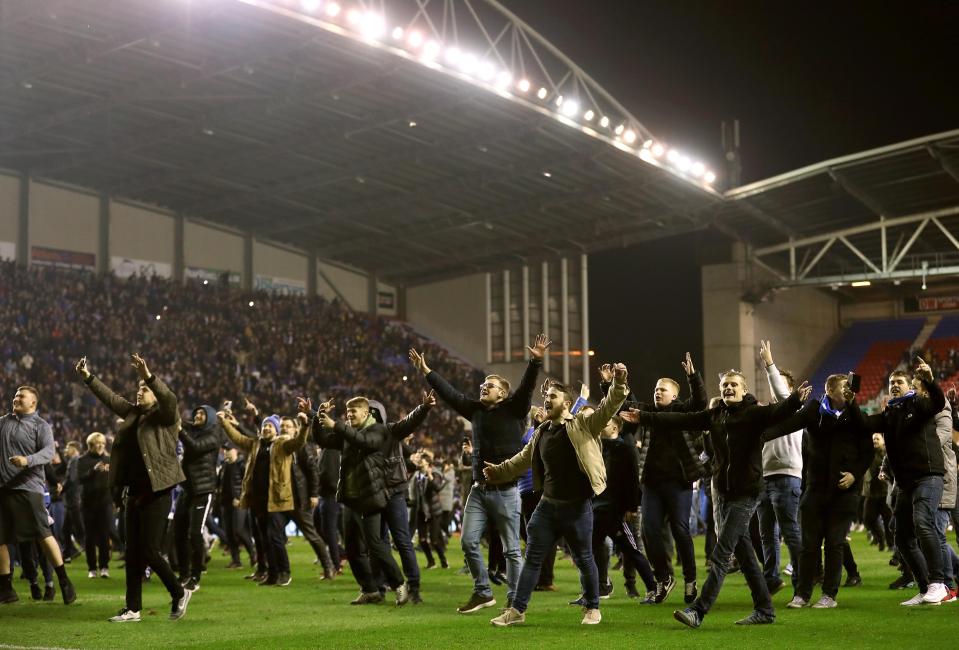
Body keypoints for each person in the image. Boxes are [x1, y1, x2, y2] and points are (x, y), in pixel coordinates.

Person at [621, 369, 810, 629]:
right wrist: (643, 416)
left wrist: (796, 400)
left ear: (744, 390)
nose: (728, 388)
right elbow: (677, 420)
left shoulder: (754, 414)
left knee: (722, 553)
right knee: (743, 554)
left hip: (746, 493)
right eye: (724, 385)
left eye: (733, 385)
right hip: (723, 492)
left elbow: (779, 413)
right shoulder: (715, 415)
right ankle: (765, 609)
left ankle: (698, 610)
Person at [410, 333, 547, 614]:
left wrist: (535, 361)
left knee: (511, 549)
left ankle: (515, 601)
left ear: (503, 393)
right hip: (478, 490)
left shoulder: (514, 408)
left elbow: (527, 387)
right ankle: (483, 592)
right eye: (484, 384)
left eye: (491, 385)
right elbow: (450, 394)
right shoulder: (474, 410)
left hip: (507, 490)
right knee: (469, 542)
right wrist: (427, 372)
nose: (484, 387)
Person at [485, 365, 630, 627]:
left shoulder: (583, 424)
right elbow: (522, 460)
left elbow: (608, 408)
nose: (547, 400)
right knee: (532, 558)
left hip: (577, 507)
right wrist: (498, 471)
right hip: (547, 507)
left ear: (567, 403)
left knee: (584, 558)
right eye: (547, 396)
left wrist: (619, 384)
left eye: (553, 396)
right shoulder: (541, 432)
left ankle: (593, 608)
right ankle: (517, 610)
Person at [77, 354, 190, 622]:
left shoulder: (166, 416)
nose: (140, 392)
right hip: (133, 491)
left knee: (150, 550)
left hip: (158, 490)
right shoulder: (131, 413)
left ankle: (179, 592)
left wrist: (149, 375)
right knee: (132, 552)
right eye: (138, 389)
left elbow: (170, 399)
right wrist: (88, 377)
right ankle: (133, 608)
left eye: (145, 390)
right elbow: (111, 398)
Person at [781, 374, 872, 609]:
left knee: (835, 543)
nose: (849, 390)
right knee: (809, 544)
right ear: (830, 391)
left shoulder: (855, 414)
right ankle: (802, 594)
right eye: (844, 387)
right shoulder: (815, 411)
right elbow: (790, 424)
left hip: (844, 491)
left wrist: (855, 474)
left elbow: (867, 451)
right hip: (815, 488)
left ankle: (829, 595)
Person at [310, 396, 411, 606]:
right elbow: (322, 440)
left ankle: (400, 584)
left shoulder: (379, 431)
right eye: (348, 411)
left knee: (375, 544)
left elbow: (364, 442)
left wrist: (336, 425)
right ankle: (370, 589)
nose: (349, 414)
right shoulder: (348, 434)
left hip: (370, 499)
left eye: (353, 411)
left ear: (366, 413)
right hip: (350, 498)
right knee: (353, 548)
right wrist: (318, 418)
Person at [869, 359, 948, 606]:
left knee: (923, 523)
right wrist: (849, 404)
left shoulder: (919, 403)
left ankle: (939, 584)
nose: (894, 385)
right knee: (901, 535)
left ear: (909, 386)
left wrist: (930, 380)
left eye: (899, 382)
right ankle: (925, 588)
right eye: (891, 382)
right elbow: (863, 424)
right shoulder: (890, 412)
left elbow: (937, 403)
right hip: (905, 482)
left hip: (928, 475)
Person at [0, 385, 77, 606]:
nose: (16, 398)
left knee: (43, 534)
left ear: (33, 402)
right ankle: (6, 588)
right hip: (3, 489)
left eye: (21, 396)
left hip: (28, 487)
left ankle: (63, 580)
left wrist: (27, 460)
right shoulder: (2, 422)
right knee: (1, 539)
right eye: (14, 395)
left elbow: (48, 452)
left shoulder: (40, 426)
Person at [219, 408, 309, 588]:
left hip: (276, 499)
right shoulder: (255, 444)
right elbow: (237, 438)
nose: (267, 428)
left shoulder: (283, 444)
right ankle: (272, 574)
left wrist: (305, 426)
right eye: (264, 425)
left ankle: (285, 572)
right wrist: (224, 423)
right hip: (258, 500)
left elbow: (299, 442)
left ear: (276, 429)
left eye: (270, 425)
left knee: (275, 538)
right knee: (264, 539)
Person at [756, 340, 804, 596]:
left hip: (787, 476)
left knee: (790, 532)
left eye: (781, 383)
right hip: (765, 477)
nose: (776, 388)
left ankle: (801, 584)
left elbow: (783, 394)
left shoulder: (795, 408)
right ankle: (771, 580)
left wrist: (770, 365)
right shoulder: (769, 413)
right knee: (767, 534)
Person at [279, 416, 334, 580]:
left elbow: (312, 471)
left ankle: (328, 566)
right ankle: (275, 570)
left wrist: (313, 494)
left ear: (296, 429)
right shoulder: (278, 446)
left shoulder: (302, 446)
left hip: (299, 500)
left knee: (311, 534)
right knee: (273, 533)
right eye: (282, 426)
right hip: (281, 500)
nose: (284, 429)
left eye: (288, 426)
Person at [174, 405, 220, 591]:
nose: (198, 416)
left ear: (209, 418)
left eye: (202, 413)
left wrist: (180, 431)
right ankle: (184, 574)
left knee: (195, 534)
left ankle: (196, 575)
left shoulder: (213, 436)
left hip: (203, 491)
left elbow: (194, 448)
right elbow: (176, 421)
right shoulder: (192, 431)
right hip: (187, 490)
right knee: (178, 533)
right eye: (196, 413)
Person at [78, 432, 113, 579]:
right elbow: (80, 479)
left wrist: (111, 471)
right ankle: (92, 568)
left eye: (103, 443)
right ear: (91, 445)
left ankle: (104, 567)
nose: (100, 446)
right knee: (90, 537)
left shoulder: (109, 459)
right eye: (98, 443)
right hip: (88, 504)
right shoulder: (82, 460)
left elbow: (115, 481)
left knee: (105, 536)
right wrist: (93, 471)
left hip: (105, 503)